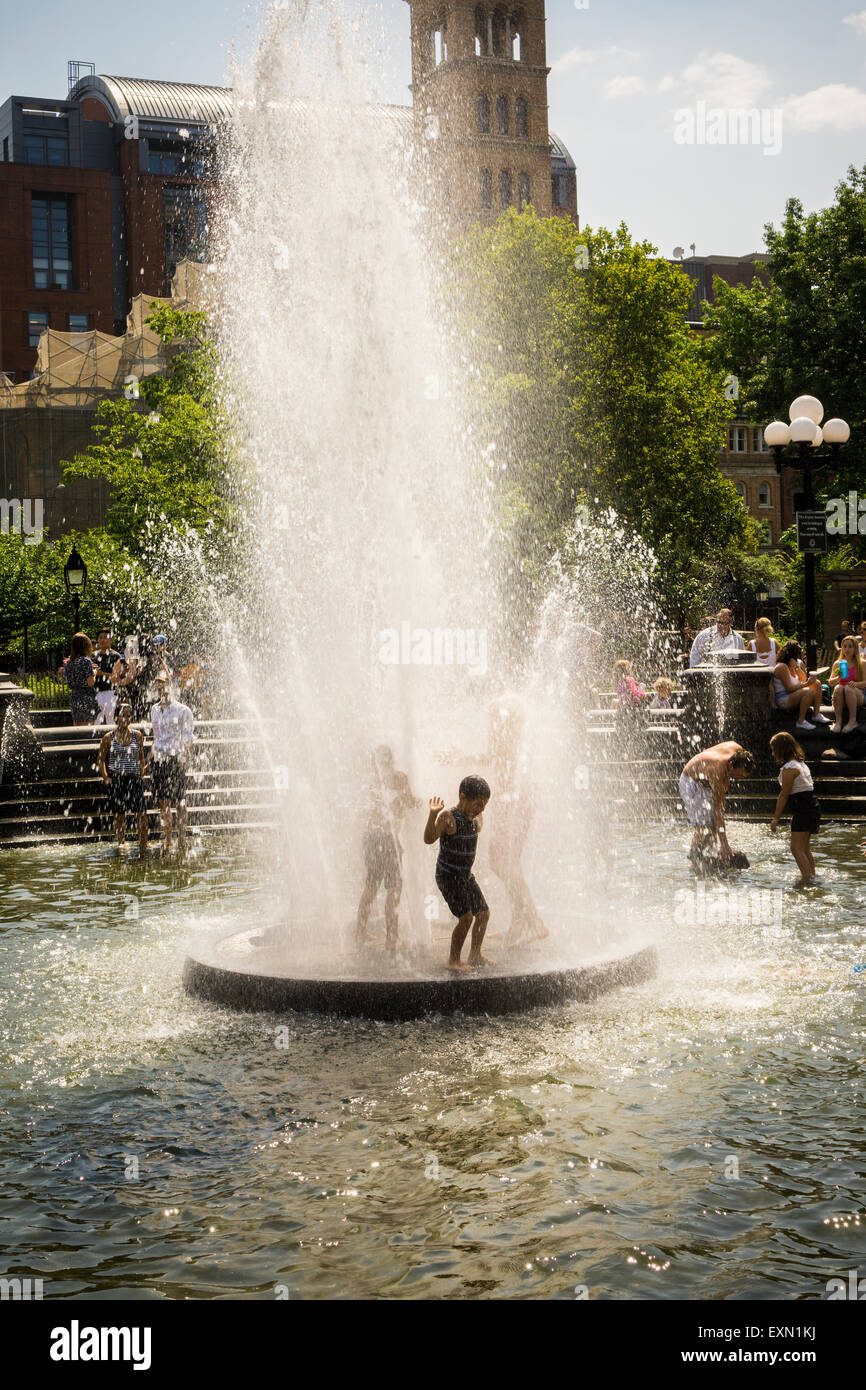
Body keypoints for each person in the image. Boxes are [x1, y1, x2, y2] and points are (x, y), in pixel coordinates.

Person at [355, 745, 422, 950]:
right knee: (394, 889)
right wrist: (416, 802)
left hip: (372, 839)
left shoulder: (372, 783)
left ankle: (360, 933)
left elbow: (371, 811)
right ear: (391, 759)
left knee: (371, 886)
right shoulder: (398, 778)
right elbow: (408, 803)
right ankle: (391, 939)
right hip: (387, 840)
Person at [424, 775, 492, 971]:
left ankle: (475, 954)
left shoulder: (476, 817)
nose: (481, 808)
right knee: (466, 918)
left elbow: (477, 826)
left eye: (485, 804)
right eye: (477, 803)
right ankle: (453, 960)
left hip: (465, 876)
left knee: (484, 914)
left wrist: (478, 813)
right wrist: (432, 815)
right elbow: (429, 839)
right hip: (448, 877)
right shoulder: (448, 817)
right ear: (462, 797)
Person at [679, 742, 755, 865]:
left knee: (713, 825)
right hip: (691, 782)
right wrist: (725, 844)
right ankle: (694, 858)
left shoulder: (738, 751)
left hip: (705, 781)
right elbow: (718, 811)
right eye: (738, 775)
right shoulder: (718, 772)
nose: (740, 779)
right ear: (731, 764)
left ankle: (711, 856)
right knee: (704, 827)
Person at [144, 674, 195, 852]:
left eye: (163, 684)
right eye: (157, 684)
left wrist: (183, 758)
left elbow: (188, 739)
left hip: (175, 759)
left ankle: (181, 838)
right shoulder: (154, 709)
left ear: (170, 686)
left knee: (180, 801)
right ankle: (168, 840)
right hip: (159, 760)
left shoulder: (183, 710)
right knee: (163, 803)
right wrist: (148, 759)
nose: (160, 688)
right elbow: (156, 737)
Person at [97, 702, 149, 853]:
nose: (126, 719)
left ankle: (143, 843)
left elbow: (140, 756)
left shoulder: (137, 735)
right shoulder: (108, 737)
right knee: (119, 814)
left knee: (141, 813)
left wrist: (141, 771)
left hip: (134, 779)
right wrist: (106, 777)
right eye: (122, 715)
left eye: (128, 715)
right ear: (116, 718)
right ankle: (121, 842)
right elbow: (100, 759)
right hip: (117, 779)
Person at [769, 731, 820, 883]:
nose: (772, 753)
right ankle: (811, 875)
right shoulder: (801, 764)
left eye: (773, 749)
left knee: (796, 848)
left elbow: (784, 795)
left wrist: (775, 818)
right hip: (811, 808)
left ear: (780, 750)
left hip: (804, 810)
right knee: (804, 847)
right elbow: (802, 793)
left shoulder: (789, 769)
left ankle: (807, 880)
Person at [772, 641, 828, 731]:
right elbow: (789, 688)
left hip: (794, 695)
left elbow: (803, 679)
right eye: (798, 655)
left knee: (817, 683)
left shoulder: (794, 665)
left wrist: (796, 668)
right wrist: (806, 684)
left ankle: (816, 714)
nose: (799, 658)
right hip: (784, 699)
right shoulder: (782, 667)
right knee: (808, 691)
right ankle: (801, 721)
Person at [829, 636, 866, 734]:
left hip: (858, 695)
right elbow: (830, 682)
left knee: (848, 688)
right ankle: (838, 722)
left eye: (850, 646)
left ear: (855, 648)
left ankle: (852, 721)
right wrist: (838, 678)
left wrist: (856, 684)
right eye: (844, 646)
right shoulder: (838, 663)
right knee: (838, 687)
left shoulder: (861, 663)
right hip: (841, 695)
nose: (847, 649)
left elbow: (865, 682)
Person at [59, 633, 98, 725]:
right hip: (86, 697)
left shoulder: (68, 663)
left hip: (74, 697)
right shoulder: (86, 661)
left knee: (77, 725)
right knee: (89, 727)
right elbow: (91, 683)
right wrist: (95, 672)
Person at [92, 628, 123, 726]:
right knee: (97, 718)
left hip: (111, 691)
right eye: (100, 638)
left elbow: (117, 675)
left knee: (110, 717)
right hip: (96, 691)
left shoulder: (116, 656)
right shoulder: (94, 656)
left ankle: (113, 738)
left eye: (105, 638)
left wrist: (103, 674)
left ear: (111, 640)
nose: (102, 640)